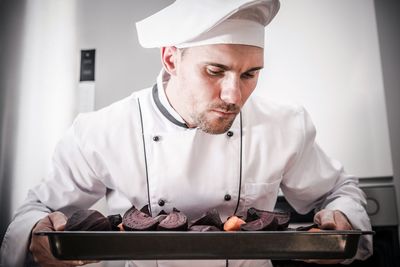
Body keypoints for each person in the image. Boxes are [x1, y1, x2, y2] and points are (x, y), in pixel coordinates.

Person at [1, 0, 372, 266]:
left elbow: (338, 192)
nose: (234, 96)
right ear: (170, 59)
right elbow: (38, 211)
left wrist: (341, 218)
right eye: (214, 71)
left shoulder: (285, 125)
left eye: (249, 74)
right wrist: (37, 233)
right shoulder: (101, 131)